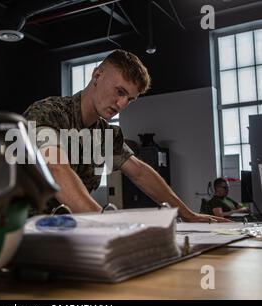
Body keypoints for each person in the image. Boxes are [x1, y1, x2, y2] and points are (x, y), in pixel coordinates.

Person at [23, 49, 229, 222]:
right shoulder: (49, 113)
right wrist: (103, 224)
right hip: (15, 231)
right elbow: (56, 167)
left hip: (61, 232)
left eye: (130, 99)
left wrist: (189, 215)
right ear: (97, 76)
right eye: (120, 92)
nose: (122, 104)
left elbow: (140, 172)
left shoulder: (104, 134)